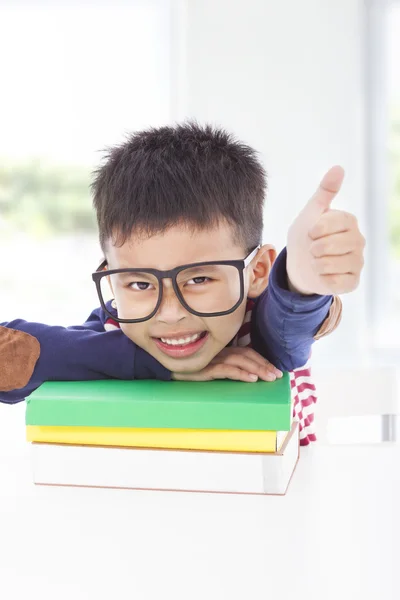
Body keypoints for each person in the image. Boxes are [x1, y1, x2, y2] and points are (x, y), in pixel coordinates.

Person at [0, 123, 365, 445]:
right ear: (111, 279)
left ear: (257, 273)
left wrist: (299, 281)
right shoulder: (117, 328)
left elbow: (290, 323)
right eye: (140, 285)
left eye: (200, 279)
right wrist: (157, 366)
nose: (170, 313)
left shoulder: (262, 332)